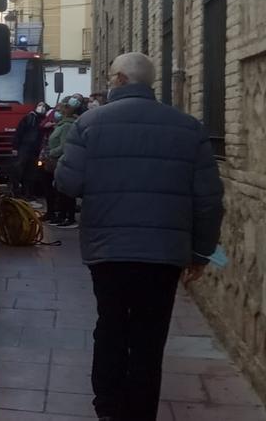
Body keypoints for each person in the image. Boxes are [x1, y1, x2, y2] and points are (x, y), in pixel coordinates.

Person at [55, 53, 224, 421]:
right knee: (149, 337)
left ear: (118, 80)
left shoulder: (89, 124)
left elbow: (68, 183)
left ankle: (109, 408)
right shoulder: (189, 128)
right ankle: (141, 412)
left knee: (111, 326)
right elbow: (209, 200)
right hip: (164, 254)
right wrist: (201, 252)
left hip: (108, 250)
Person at [45, 97, 83, 228]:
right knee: (59, 191)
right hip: (57, 161)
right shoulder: (61, 124)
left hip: (62, 161)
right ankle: (61, 215)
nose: (57, 111)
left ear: (66, 110)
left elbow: (64, 145)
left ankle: (68, 216)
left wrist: (50, 152)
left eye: (59, 109)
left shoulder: (67, 125)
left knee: (64, 191)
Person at [11, 102, 49, 202]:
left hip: (34, 149)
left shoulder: (43, 119)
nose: (42, 107)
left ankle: (27, 193)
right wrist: (15, 147)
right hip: (25, 148)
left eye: (44, 106)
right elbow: (19, 132)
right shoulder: (29, 118)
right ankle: (17, 192)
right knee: (19, 171)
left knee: (30, 172)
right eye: (40, 105)